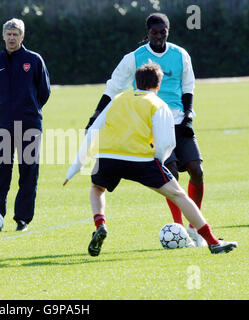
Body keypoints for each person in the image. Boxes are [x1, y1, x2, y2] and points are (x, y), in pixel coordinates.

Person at [64, 62, 237, 256]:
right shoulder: (158, 104)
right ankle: (213, 242)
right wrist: (158, 161)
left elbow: (94, 129)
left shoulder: (118, 99)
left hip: (108, 157)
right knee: (179, 196)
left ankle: (100, 225)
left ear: (135, 82)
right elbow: (166, 142)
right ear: (158, 85)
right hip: (141, 160)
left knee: (97, 189)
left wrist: (75, 168)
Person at [84, 13, 206, 246]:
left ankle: (194, 228)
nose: (159, 36)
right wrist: (96, 114)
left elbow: (188, 85)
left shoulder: (180, 55)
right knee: (171, 175)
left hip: (180, 121)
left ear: (167, 32)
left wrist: (189, 114)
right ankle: (179, 229)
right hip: (153, 124)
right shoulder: (133, 58)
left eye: (163, 32)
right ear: (147, 33)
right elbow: (114, 87)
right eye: (154, 32)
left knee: (197, 170)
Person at [0, 18, 50, 232]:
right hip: (2, 126)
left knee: (28, 171)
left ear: (23, 36)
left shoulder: (34, 60)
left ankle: (22, 219)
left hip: (29, 125)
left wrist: (28, 109)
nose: (12, 38)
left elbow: (44, 92)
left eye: (16, 34)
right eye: (9, 34)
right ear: (3, 36)